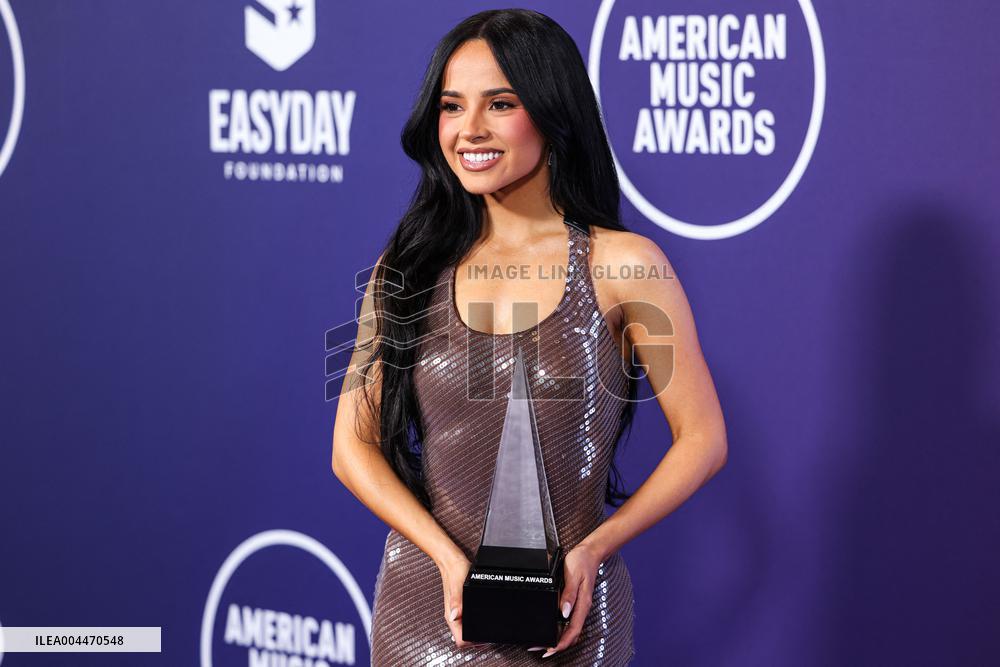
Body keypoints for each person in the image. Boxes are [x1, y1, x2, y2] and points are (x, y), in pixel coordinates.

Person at [331, 8, 727, 665]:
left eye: (501, 103)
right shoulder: (408, 264)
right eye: (452, 106)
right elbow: (352, 447)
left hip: (569, 619)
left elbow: (704, 437)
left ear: (551, 110)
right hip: (424, 617)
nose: (469, 129)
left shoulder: (623, 265)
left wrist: (595, 547)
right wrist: (444, 558)